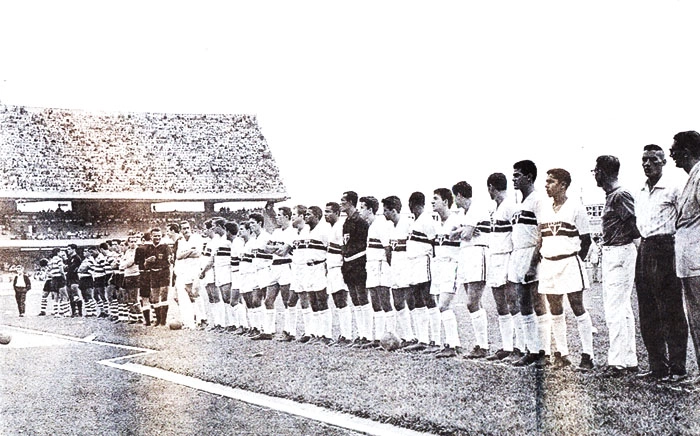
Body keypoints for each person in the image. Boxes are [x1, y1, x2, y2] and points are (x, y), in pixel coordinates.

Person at [634, 144, 688, 382]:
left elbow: (685, 220)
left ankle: (677, 368)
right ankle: (657, 367)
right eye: (644, 160)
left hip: (666, 248)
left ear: (663, 162)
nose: (647, 164)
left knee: (671, 311)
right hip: (645, 248)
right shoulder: (640, 191)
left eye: (653, 160)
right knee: (647, 312)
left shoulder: (674, 188)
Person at [538, 168, 595, 371]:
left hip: (569, 262)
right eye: (546, 181)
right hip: (548, 263)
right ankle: (562, 354)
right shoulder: (544, 208)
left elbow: (586, 240)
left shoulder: (576, 208)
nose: (546, 185)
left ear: (563, 185)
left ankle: (588, 355)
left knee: (578, 307)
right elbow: (541, 238)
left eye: (551, 182)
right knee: (555, 309)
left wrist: (574, 259)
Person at [594, 155, 640, 376]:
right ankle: (628, 359)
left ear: (601, 172)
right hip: (615, 252)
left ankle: (617, 362)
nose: (594, 174)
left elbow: (634, 226)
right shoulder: (611, 196)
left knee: (615, 309)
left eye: (595, 170)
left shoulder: (620, 195)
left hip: (620, 252)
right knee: (623, 309)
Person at [509, 161, 551, 367]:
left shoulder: (538, 201)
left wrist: (534, 264)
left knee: (538, 304)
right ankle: (532, 349)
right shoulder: (518, 204)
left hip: (533, 255)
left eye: (517, 175)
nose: (514, 179)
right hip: (518, 256)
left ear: (529, 177)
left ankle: (546, 351)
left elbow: (542, 235)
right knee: (523, 304)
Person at [669, 131, 700, 389]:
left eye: (675, 149)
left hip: (697, 262)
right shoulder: (692, 178)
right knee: (695, 319)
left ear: (687, 151)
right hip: (689, 263)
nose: (671, 154)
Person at [451, 181, 492, 359]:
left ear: (459, 195)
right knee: (474, 303)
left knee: (472, 302)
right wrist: (463, 230)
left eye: (455, 196)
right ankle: (480, 344)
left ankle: (483, 345)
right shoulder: (464, 213)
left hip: (478, 253)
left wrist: (463, 231)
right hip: (467, 254)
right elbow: (460, 231)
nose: (454, 200)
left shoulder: (477, 209)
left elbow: (466, 234)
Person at [485, 173, 521, 361]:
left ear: (492, 187)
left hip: (508, 257)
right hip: (495, 258)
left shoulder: (511, 207)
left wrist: (514, 261)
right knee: (500, 305)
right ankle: (507, 346)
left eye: (489, 189)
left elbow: (517, 236)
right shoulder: (494, 209)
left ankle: (520, 347)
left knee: (513, 303)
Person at [403, 192, 439, 353]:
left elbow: (435, 242)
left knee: (428, 298)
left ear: (413, 204)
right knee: (416, 299)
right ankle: (422, 339)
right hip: (413, 264)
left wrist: (435, 265)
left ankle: (436, 341)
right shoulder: (414, 222)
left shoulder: (427, 221)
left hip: (424, 262)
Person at [430, 188, 462, 357]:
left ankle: (451, 345)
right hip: (438, 266)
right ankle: (454, 343)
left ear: (446, 201)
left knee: (443, 305)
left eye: (435, 198)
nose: (432, 201)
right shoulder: (435, 223)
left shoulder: (457, 220)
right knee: (439, 306)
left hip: (451, 265)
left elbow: (472, 232)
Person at [383, 195, 417, 347]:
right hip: (395, 268)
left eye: (386, 211)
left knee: (412, 301)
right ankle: (408, 337)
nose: (384, 213)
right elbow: (389, 250)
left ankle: (419, 336)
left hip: (408, 267)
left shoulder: (409, 224)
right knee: (397, 302)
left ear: (394, 211)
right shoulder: (389, 227)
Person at [359, 196, 393, 349]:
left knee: (385, 300)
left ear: (370, 210)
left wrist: (389, 267)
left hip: (381, 265)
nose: (360, 211)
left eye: (362, 208)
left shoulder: (381, 225)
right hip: (371, 265)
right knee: (375, 301)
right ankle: (379, 338)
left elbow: (387, 248)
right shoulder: (371, 226)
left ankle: (391, 336)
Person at [340, 191, 371, 347]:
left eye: (343, 200)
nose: (341, 203)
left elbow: (363, 245)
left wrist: (354, 258)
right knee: (355, 299)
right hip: (348, 265)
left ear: (351, 202)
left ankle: (368, 335)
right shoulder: (346, 222)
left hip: (358, 264)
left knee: (362, 298)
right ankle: (360, 334)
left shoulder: (361, 222)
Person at [325, 202, 352, 346]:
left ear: (336, 213)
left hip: (339, 267)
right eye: (325, 212)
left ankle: (347, 335)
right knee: (337, 301)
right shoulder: (331, 228)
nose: (326, 215)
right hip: (332, 268)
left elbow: (344, 247)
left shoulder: (341, 226)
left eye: (328, 212)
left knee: (342, 300)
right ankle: (343, 334)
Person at [144, 227, 173, 326]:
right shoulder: (148, 248)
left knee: (164, 295)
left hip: (164, 273)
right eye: (155, 236)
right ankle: (158, 320)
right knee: (155, 298)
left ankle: (163, 321)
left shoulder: (165, 247)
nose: (157, 238)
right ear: (151, 236)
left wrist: (170, 259)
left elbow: (170, 260)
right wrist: (147, 261)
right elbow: (145, 266)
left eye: (159, 236)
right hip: (153, 274)